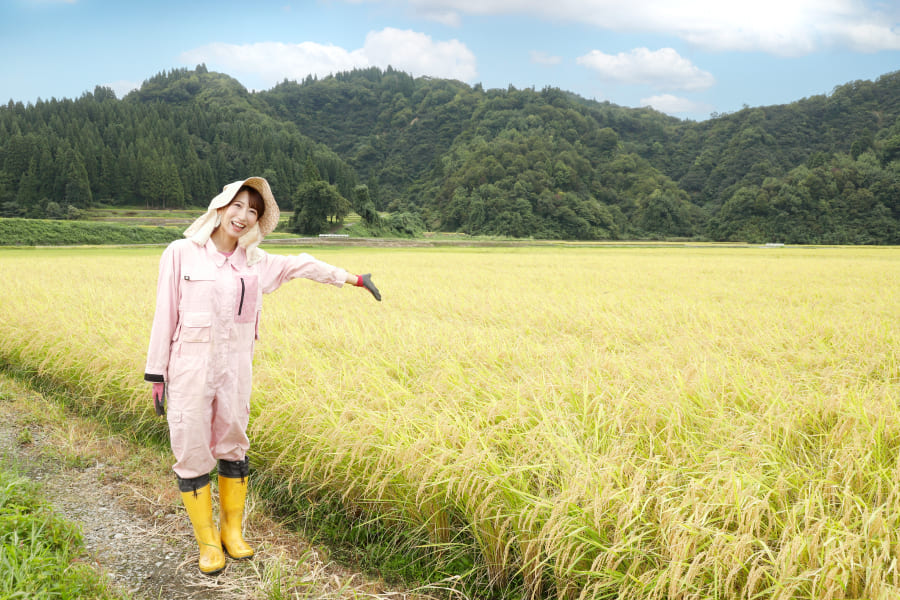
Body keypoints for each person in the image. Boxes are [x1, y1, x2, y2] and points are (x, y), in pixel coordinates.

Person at [144, 177, 380, 575]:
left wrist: (354, 278)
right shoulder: (181, 253)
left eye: (253, 211)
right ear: (221, 207)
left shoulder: (256, 263)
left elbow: (302, 264)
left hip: (236, 370)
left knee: (234, 444)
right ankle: (208, 543)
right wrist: (156, 374)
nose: (243, 216)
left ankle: (232, 532)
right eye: (238, 205)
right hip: (189, 369)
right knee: (191, 448)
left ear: (257, 221)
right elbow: (165, 312)